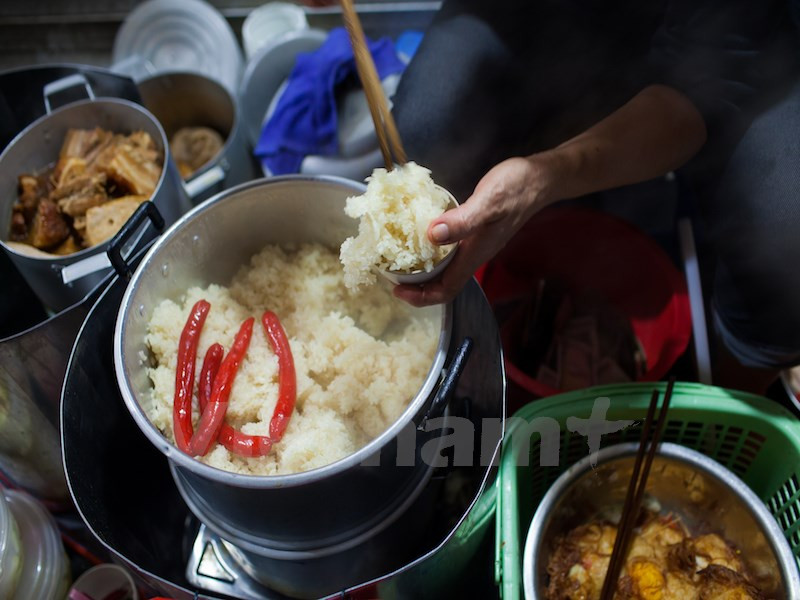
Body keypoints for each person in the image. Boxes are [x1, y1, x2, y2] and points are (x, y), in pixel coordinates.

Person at [298, 0, 800, 394]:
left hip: (731, 52)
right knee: (427, 130)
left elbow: (694, 100)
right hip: (539, 11)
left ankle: (725, 411)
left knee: (788, 228)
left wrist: (547, 176)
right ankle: (424, 367)